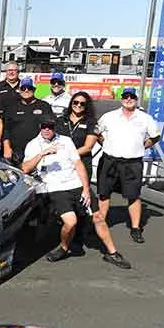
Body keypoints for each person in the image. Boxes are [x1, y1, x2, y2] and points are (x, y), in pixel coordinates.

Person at [21, 119, 96, 262]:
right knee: (71, 222)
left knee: (97, 217)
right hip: (54, 187)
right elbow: (25, 168)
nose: (47, 130)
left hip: (74, 183)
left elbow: (78, 164)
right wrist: (43, 153)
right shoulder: (33, 144)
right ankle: (63, 247)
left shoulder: (66, 140)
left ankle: (111, 251)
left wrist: (86, 188)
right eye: (44, 127)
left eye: (50, 127)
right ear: (40, 127)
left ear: (55, 128)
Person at [95, 87, 161, 245]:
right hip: (109, 160)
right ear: (121, 98)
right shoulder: (109, 116)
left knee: (133, 195)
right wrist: (105, 144)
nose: (128, 99)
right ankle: (99, 224)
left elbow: (155, 136)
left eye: (132, 96)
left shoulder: (145, 118)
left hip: (132, 163)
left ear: (136, 99)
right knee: (104, 194)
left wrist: (142, 146)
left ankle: (136, 228)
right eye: (126, 96)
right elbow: (96, 132)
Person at [57, 90, 99, 254]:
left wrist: (68, 155)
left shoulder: (91, 123)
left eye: (82, 103)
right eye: (75, 102)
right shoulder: (60, 120)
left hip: (81, 164)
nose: (78, 105)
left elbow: (88, 147)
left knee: (81, 202)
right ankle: (64, 233)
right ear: (71, 103)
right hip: (62, 166)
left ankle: (78, 239)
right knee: (63, 199)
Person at [1, 78, 55, 165]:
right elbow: (6, 129)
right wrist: (6, 147)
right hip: (15, 152)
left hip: (38, 150)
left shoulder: (44, 106)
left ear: (34, 89)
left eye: (29, 88)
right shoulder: (12, 107)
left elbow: (52, 127)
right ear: (19, 90)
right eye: (23, 88)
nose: (26, 90)